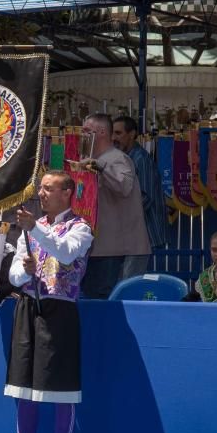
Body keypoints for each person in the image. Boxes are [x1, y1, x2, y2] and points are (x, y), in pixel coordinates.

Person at [0, 171, 92, 433]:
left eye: (49, 188)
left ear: (68, 192)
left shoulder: (80, 228)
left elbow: (65, 251)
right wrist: (24, 273)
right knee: (24, 387)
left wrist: (34, 228)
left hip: (60, 309)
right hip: (29, 307)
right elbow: (13, 276)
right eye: (40, 187)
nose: (42, 193)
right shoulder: (32, 229)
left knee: (62, 390)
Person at [76, 113, 150, 299]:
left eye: (87, 131)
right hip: (101, 248)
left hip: (118, 250)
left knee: (110, 302)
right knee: (96, 299)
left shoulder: (117, 158)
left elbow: (124, 186)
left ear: (101, 132)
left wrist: (99, 166)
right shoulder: (93, 159)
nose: (82, 135)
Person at [112, 116, 167, 277]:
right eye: (112, 133)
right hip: (132, 231)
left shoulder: (140, 158)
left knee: (130, 280)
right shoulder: (126, 157)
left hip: (143, 231)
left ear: (132, 134)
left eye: (118, 133)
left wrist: (119, 217)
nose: (114, 138)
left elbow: (145, 197)